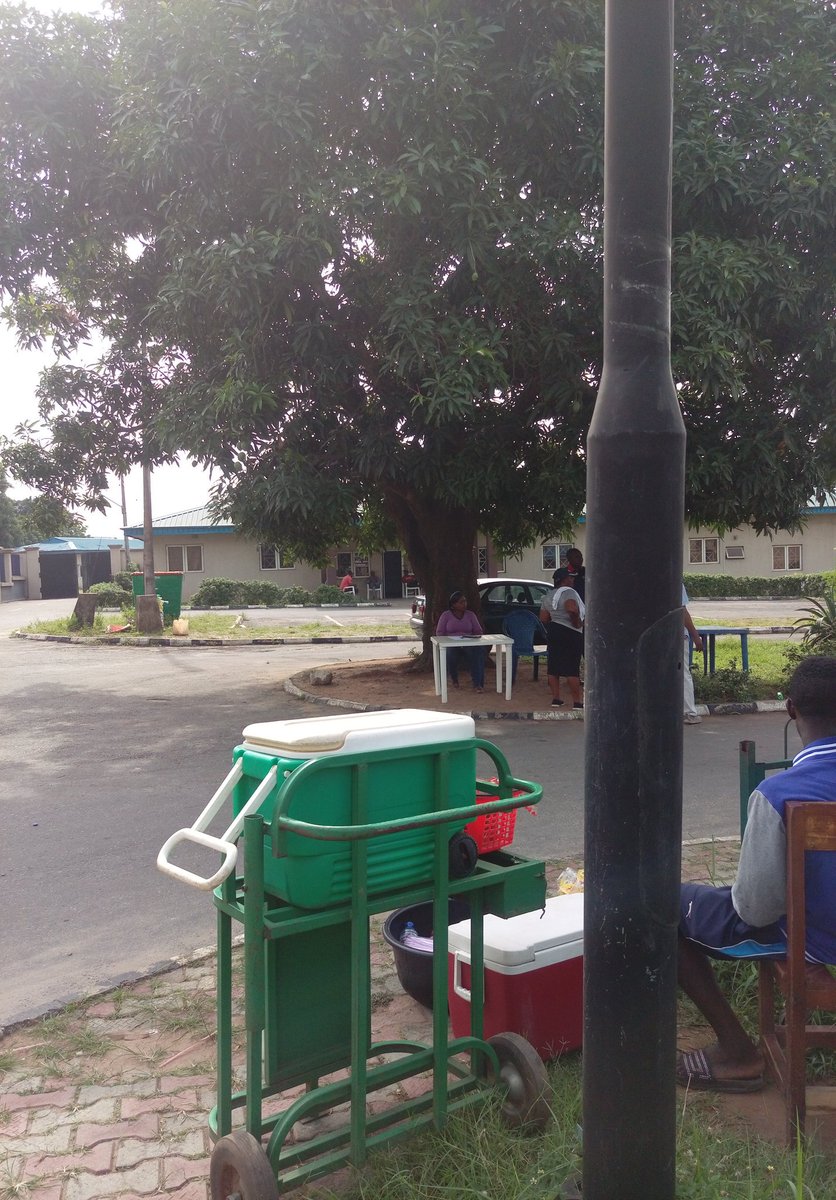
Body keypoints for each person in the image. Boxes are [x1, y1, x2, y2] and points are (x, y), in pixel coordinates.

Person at [676, 655, 836, 1093]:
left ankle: (738, 1054)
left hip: (813, 938)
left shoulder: (779, 793)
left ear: (791, 709)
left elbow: (756, 909)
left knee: (664, 907)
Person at [539, 567, 585, 708]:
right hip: (570, 632)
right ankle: (577, 702)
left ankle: (556, 699)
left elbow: (543, 617)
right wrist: (576, 622)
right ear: (565, 580)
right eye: (570, 577)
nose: (572, 579)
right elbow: (571, 608)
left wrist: (556, 616)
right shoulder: (569, 592)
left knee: (553, 667)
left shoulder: (549, 595)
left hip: (554, 630)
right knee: (572, 667)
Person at [435, 590, 486, 692]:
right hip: (452, 644)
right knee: (450, 654)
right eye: (461, 602)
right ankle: (454, 679)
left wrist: (473, 637)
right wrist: (448, 640)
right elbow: (440, 632)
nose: (464, 604)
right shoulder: (446, 615)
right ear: (453, 604)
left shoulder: (470, 615)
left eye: (465, 601)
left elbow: (478, 631)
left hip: (469, 643)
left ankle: (477, 684)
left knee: (477, 653)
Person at [682, 584, 703, 724]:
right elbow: (682, 611)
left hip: (657, 636)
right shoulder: (673, 579)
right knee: (683, 674)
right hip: (676, 636)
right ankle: (690, 713)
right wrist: (695, 636)